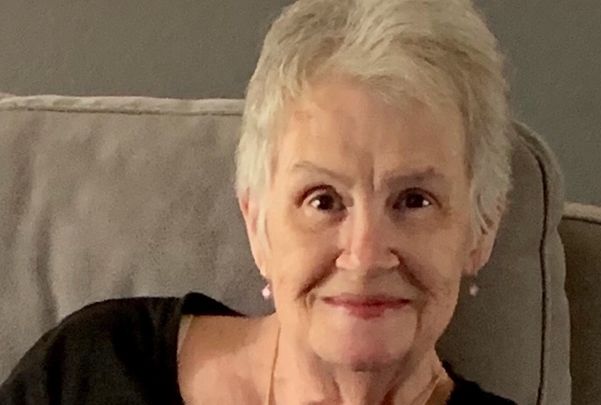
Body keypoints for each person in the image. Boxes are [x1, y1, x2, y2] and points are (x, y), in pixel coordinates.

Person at [0, 0, 517, 403]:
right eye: (323, 201)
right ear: (257, 224)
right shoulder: (94, 368)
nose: (364, 256)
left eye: (414, 201)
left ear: (481, 228)